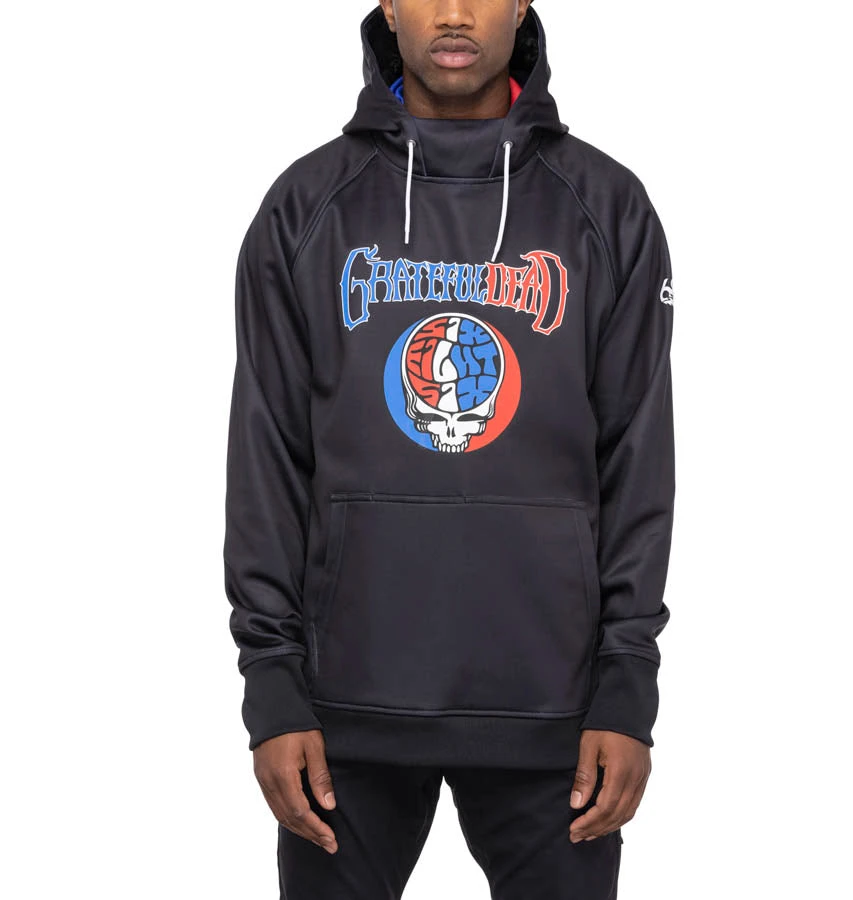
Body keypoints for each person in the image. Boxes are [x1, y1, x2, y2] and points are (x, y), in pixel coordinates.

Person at [223, 1, 676, 896]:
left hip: (557, 714)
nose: (457, 13)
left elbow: (637, 461)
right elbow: (266, 456)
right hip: (340, 716)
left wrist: (628, 685)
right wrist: (271, 684)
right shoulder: (306, 207)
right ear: (390, 5)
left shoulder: (607, 207)